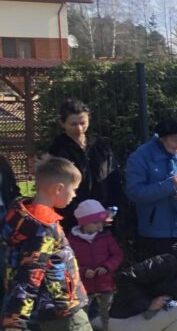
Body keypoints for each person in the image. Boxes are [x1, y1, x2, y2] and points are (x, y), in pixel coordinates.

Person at [0, 158, 110, 331]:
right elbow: (30, 274)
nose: (74, 196)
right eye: (73, 190)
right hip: (61, 304)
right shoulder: (43, 227)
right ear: (57, 189)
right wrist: (15, 319)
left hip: (52, 304)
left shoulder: (22, 213)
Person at [125, 117, 177, 260]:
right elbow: (135, 192)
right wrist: (168, 186)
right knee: (161, 280)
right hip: (156, 234)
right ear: (162, 138)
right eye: (176, 140)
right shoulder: (140, 157)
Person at [45, 99, 122, 234]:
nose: (79, 129)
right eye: (73, 124)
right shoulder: (57, 150)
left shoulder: (101, 146)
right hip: (74, 220)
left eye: (83, 123)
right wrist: (82, 215)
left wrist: (112, 207)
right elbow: (57, 189)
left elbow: (113, 177)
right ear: (62, 123)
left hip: (104, 215)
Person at [67, 199, 124, 331]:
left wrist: (106, 267)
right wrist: (83, 271)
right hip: (84, 286)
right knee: (81, 315)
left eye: (101, 223)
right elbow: (69, 261)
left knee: (108, 313)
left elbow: (117, 255)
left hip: (105, 283)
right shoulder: (72, 241)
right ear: (83, 223)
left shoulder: (105, 237)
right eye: (95, 223)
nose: (99, 226)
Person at [0, 154, 18, 331]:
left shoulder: (3, 162)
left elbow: (11, 191)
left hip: (5, 219)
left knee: (9, 276)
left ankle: (13, 325)